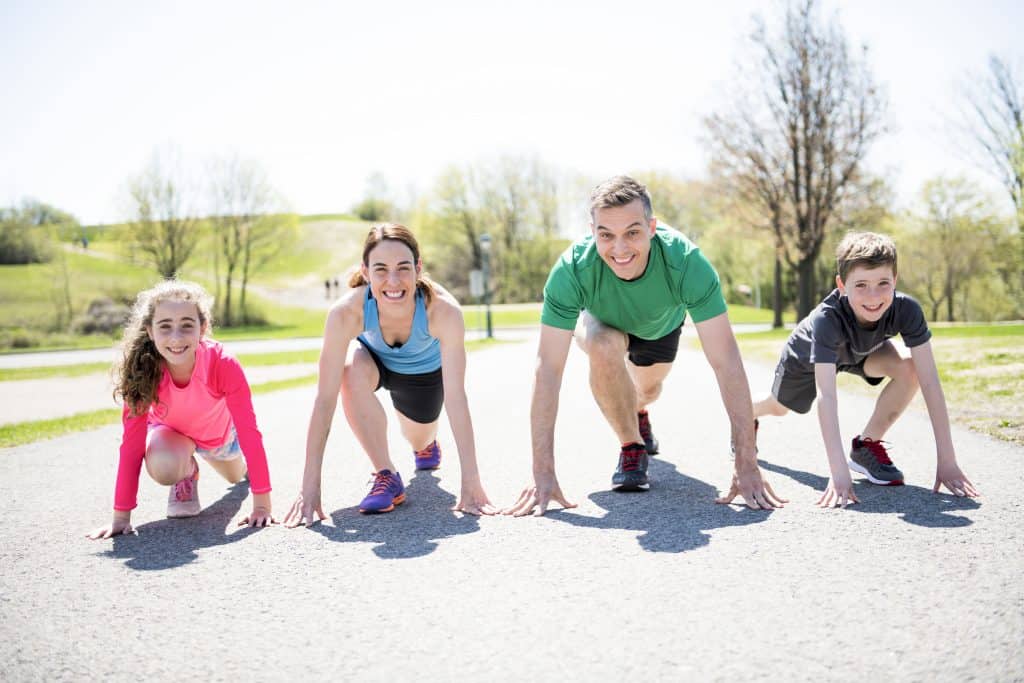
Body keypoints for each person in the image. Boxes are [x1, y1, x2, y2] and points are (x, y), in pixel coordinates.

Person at [505, 175, 784, 517]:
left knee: (647, 390)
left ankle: (638, 410)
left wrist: (746, 463)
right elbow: (547, 367)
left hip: (659, 329)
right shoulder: (572, 269)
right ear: (592, 231)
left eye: (632, 233)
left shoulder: (687, 264)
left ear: (651, 227)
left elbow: (726, 360)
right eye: (606, 235)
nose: (619, 249)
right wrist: (542, 472)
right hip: (603, 322)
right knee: (601, 343)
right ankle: (631, 444)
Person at [283, 223, 495, 523]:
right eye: (380, 269)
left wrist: (471, 481)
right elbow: (324, 399)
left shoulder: (443, 312)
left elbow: (457, 397)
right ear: (365, 271)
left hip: (423, 375)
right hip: (374, 362)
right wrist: (309, 487)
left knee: (418, 438)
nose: (392, 281)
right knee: (349, 372)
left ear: (418, 269)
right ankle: (386, 474)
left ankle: (426, 445)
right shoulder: (346, 313)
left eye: (403, 268)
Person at [749, 231, 979, 508]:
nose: (873, 296)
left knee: (911, 369)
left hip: (861, 352)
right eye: (861, 285)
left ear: (895, 279)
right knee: (779, 407)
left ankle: (866, 447)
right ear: (842, 285)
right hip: (807, 359)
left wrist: (948, 461)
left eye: (883, 283)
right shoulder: (827, 319)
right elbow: (827, 395)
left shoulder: (907, 309)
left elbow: (931, 382)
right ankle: (745, 417)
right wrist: (837, 473)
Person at [87, 280, 274, 539]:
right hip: (170, 436)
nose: (176, 337)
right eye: (165, 327)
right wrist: (121, 518)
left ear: (203, 328)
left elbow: (249, 431)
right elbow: (132, 446)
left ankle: (243, 468)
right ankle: (187, 472)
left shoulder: (223, 364)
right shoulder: (142, 371)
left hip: (219, 439)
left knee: (236, 478)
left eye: (187, 325)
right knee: (164, 464)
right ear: (150, 331)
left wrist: (262, 505)